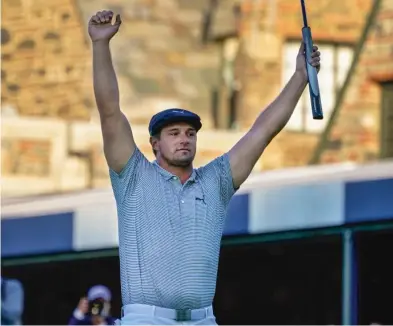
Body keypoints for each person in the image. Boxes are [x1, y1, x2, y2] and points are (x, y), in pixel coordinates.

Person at [88, 9, 321, 325]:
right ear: (154, 143)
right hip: (147, 320)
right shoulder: (132, 176)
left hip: (202, 320)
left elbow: (263, 131)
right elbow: (110, 112)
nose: (184, 139)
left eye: (190, 133)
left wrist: (299, 78)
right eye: (173, 134)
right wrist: (100, 45)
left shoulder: (216, 182)